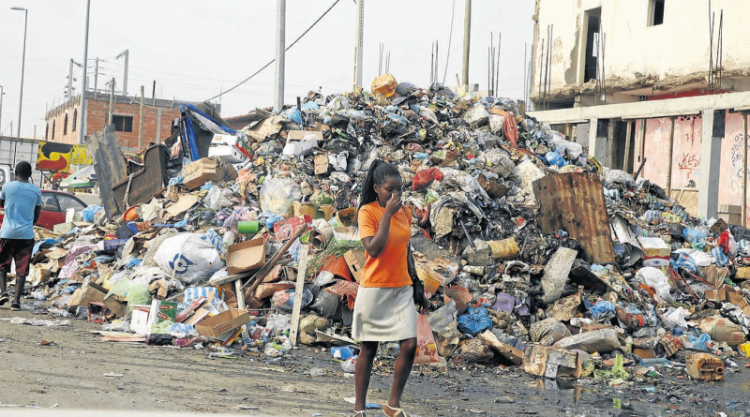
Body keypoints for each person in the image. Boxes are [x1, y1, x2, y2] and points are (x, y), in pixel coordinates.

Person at [352, 159, 426, 417]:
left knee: (409, 345)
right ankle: (359, 408)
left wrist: (416, 280)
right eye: (389, 190)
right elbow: (373, 248)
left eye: (399, 190)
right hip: (375, 288)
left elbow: (406, 248)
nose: (396, 195)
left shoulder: (404, 212)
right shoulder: (368, 213)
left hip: (402, 287)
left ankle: (392, 405)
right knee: (369, 347)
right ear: (376, 188)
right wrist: (387, 215)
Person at [0, 161, 42, 310]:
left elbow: (2, 203)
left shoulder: (7, 187)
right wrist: (29, 223)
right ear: (30, 175)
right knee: (22, 268)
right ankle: (16, 302)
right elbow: (37, 215)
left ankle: (3, 292)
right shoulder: (36, 191)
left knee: (2, 264)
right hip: (26, 235)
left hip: (7, 233)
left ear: (15, 174)